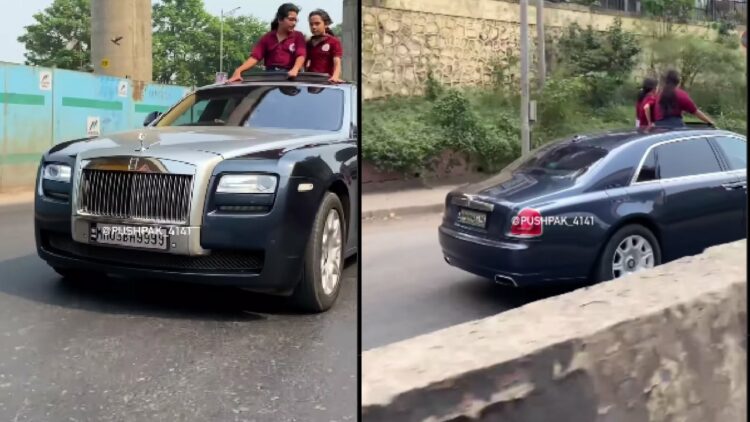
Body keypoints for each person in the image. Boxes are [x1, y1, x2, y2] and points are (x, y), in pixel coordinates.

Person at [227, 3, 306, 82]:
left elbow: (301, 55)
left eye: (296, 20)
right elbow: (255, 57)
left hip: (290, 77)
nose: (294, 23)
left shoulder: (298, 36)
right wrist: (239, 70)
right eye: (291, 19)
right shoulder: (267, 37)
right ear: (280, 19)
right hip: (270, 77)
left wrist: (295, 69)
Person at [650, 70, 715, 129]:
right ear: (677, 81)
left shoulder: (659, 95)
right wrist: (710, 122)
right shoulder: (680, 95)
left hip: (658, 126)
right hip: (674, 126)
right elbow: (695, 111)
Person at [306, 9, 344, 83]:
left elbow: (337, 62)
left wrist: (335, 77)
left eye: (317, 24)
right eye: (311, 24)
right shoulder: (308, 43)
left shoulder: (333, 42)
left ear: (326, 24)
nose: (313, 27)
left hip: (327, 82)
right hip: (310, 81)